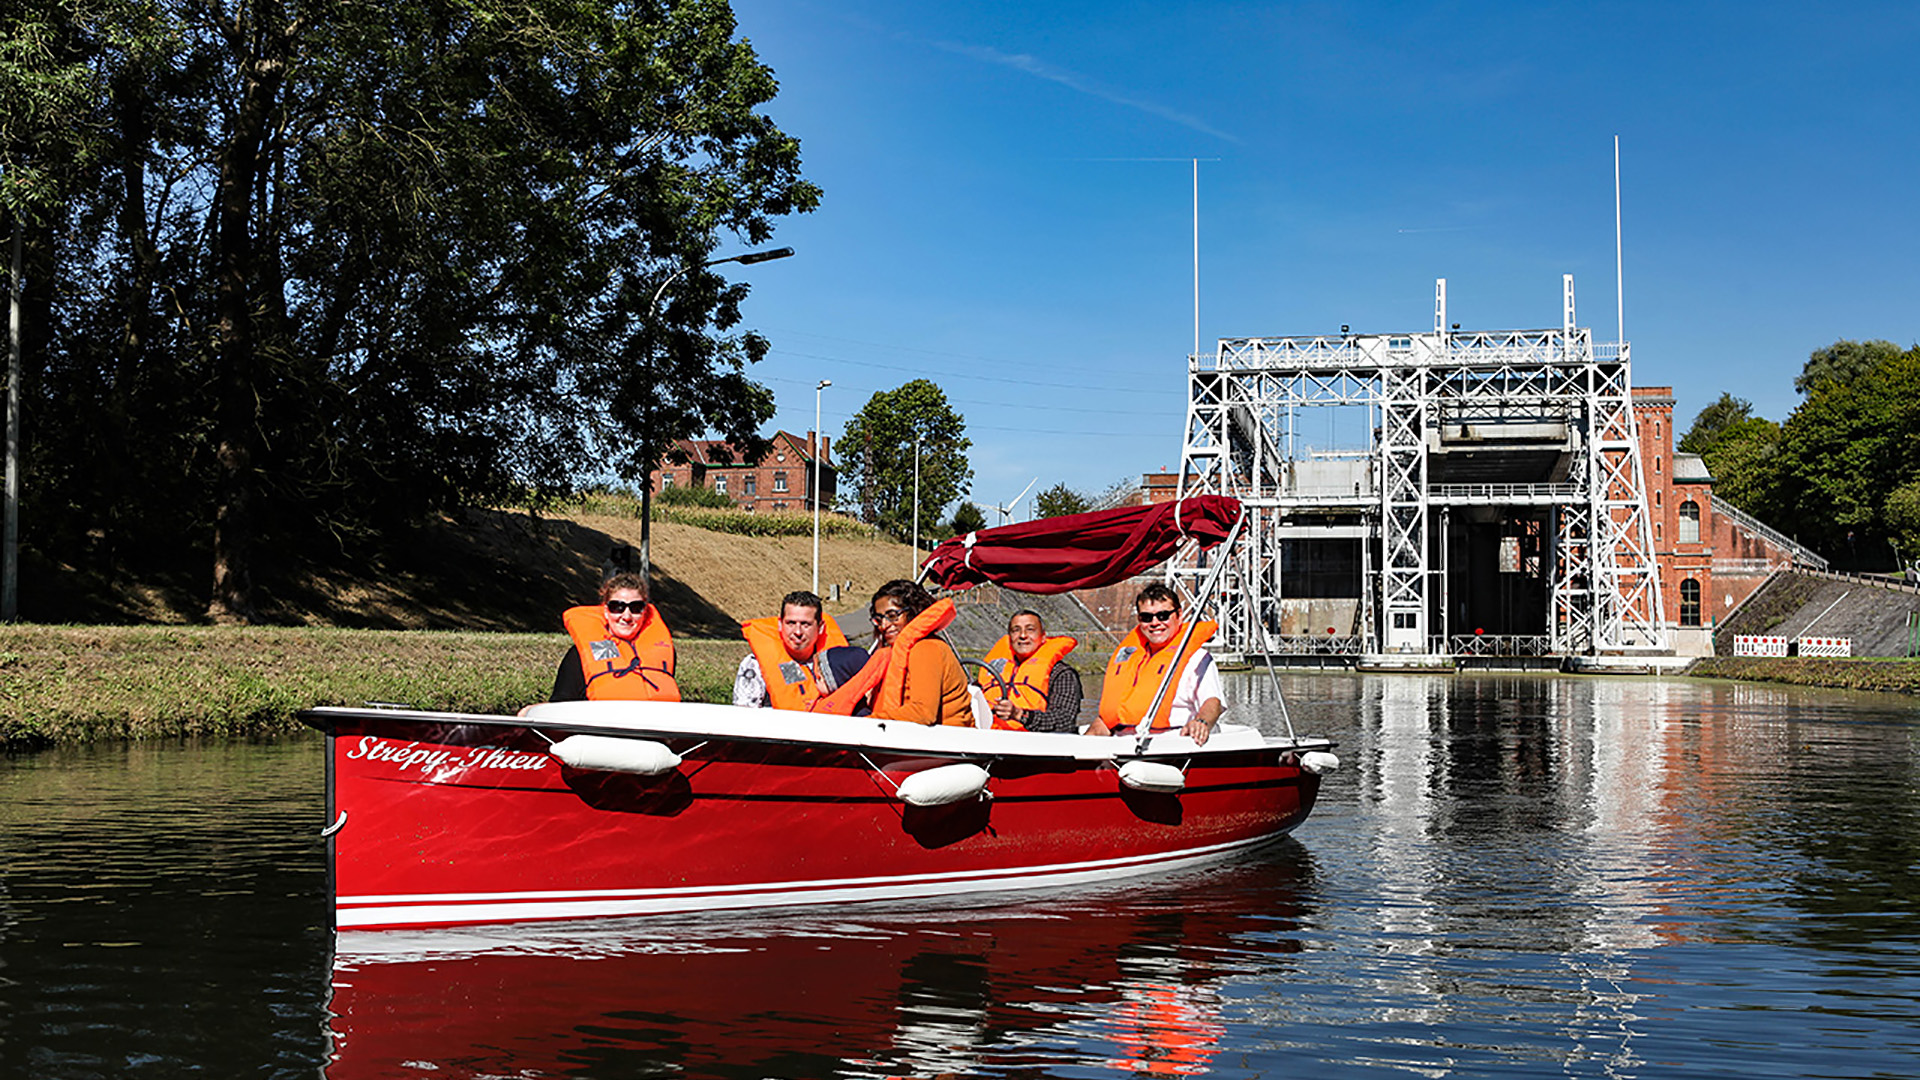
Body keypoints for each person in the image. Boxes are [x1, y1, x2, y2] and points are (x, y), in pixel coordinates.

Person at [815, 579, 974, 726]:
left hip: (948, 741)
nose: (884, 625)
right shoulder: (902, 652)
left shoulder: (926, 649)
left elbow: (923, 713)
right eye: (878, 619)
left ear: (913, 612)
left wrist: (866, 723)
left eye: (892, 616)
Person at [1088, 582, 1223, 745]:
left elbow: (1213, 702)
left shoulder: (1197, 658)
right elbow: (1105, 721)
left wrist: (1201, 722)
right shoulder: (1128, 658)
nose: (1155, 623)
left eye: (1163, 616)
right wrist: (1081, 746)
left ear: (1179, 615)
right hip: (1121, 742)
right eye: (1146, 617)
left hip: (1172, 742)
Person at [545, 572, 679, 702]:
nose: (626, 616)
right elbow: (560, 706)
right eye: (617, 607)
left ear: (644, 612)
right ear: (606, 611)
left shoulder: (664, 651)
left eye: (636, 608)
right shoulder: (579, 655)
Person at [733, 590, 869, 711]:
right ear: (780, 624)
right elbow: (743, 719)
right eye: (791, 623)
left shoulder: (838, 664)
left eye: (805, 624)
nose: (797, 632)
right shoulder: (754, 665)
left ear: (820, 627)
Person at [977, 609, 1082, 732]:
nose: (1023, 636)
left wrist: (1019, 714)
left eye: (1030, 629)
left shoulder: (1062, 674)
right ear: (1010, 638)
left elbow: (1065, 721)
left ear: (1043, 637)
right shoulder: (992, 670)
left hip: (1034, 741)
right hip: (989, 737)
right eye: (1016, 630)